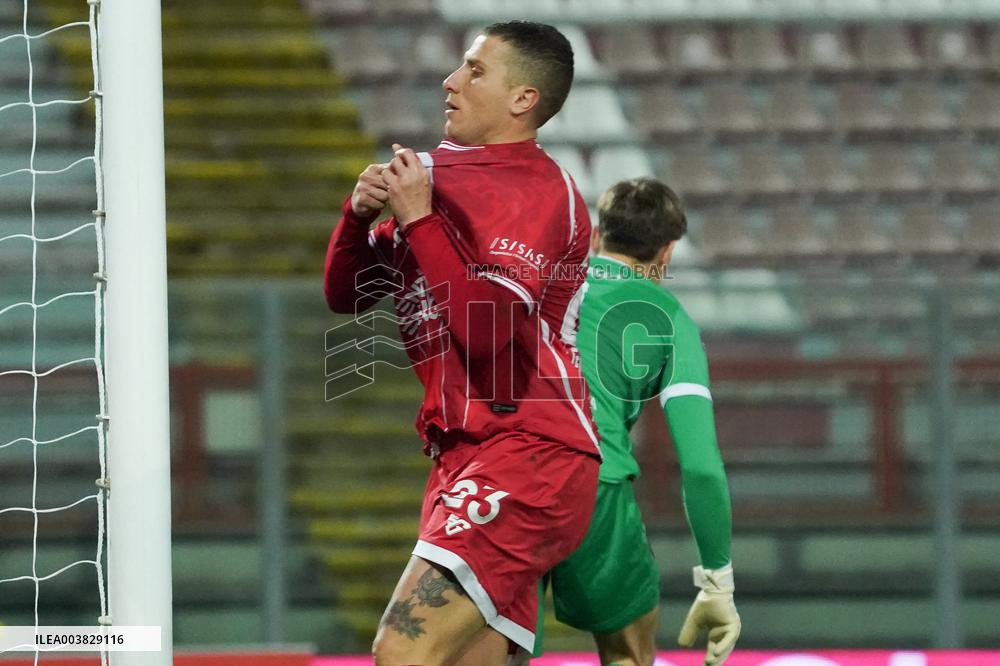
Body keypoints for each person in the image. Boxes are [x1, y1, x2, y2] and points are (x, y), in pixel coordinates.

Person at [323, 21, 601, 666]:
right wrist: (357, 218)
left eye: (476, 70)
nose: (451, 81)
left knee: (402, 650)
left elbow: (487, 331)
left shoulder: (534, 189)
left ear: (522, 99)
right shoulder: (436, 175)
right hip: (464, 457)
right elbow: (351, 293)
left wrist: (417, 217)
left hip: (531, 449)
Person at [542, 178, 741, 666]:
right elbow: (700, 466)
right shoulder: (670, 319)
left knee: (496, 649)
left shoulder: (543, 281)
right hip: (593, 481)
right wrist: (717, 577)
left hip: (504, 476)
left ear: (594, 235)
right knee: (627, 654)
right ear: (668, 253)